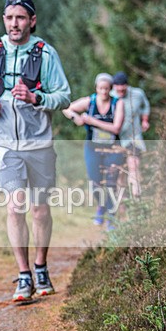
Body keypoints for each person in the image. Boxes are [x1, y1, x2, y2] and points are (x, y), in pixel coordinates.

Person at [0, 0, 71, 303]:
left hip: (38, 142)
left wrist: (38, 99)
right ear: (4, 20)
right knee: (15, 206)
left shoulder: (45, 54)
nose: (15, 23)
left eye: (21, 18)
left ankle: (41, 265)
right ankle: (23, 273)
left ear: (32, 21)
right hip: (4, 144)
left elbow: (64, 96)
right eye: (10, 17)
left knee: (39, 210)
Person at [63, 73, 125, 230]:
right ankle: (101, 206)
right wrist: (75, 118)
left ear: (110, 89)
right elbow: (66, 107)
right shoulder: (89, 102)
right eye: (100, 88)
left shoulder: (118, 104)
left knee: (111, 182)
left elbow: (116, 128)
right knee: (95, 181)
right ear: (96, 88)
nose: (103, 92)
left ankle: (111, 215)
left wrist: (92, 121)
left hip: (113, 148)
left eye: (106, 89)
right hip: (93, 147)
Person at [111, 71, 150, 198]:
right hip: (116, 140)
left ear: (127, 85)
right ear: (114, 86)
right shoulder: (109, 96)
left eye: (123, 85)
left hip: (134, 137)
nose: (120, 88)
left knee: (134, 166)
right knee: (119, 173)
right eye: (117, 86)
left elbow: (145, 106)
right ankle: (122, 204)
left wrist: (145, 120)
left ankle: (136, 197)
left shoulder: (138, 94)